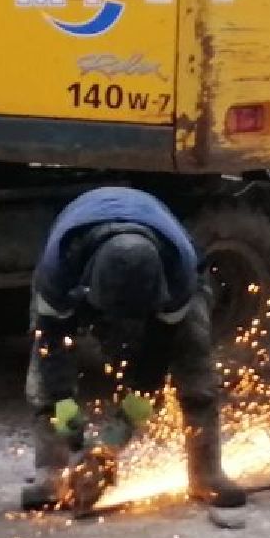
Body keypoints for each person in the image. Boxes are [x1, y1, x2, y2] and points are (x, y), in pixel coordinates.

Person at [22, 187, 246, 511]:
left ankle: (206, 473)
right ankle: (52, 474)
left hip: (166, 266)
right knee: (44, 381)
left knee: (195, 367)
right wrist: (66, 416)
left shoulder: (177, 271)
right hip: (85, 240)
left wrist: (118, 435)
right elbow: (52, 347)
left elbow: (155, 359)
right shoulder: (61, 265)